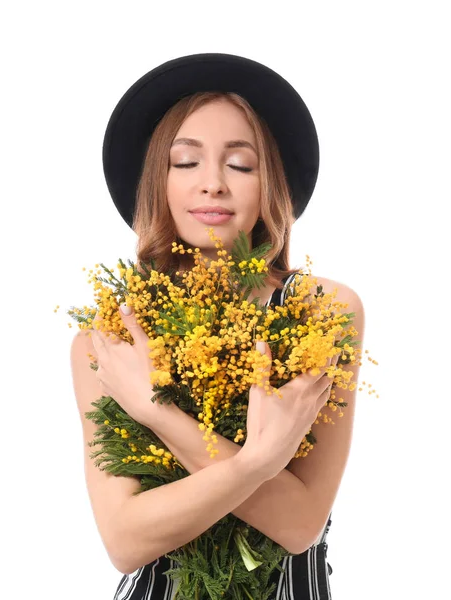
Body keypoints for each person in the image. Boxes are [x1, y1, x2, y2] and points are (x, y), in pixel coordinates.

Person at [70, 53, 365, 599]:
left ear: (269, 183)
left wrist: (153, 409)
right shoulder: (107, 339)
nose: (212, 184)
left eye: (240, 164)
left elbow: (300, 526)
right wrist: (257, 462)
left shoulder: (321, 311)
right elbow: (125, 541)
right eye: (185, 162)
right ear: (155, 181)